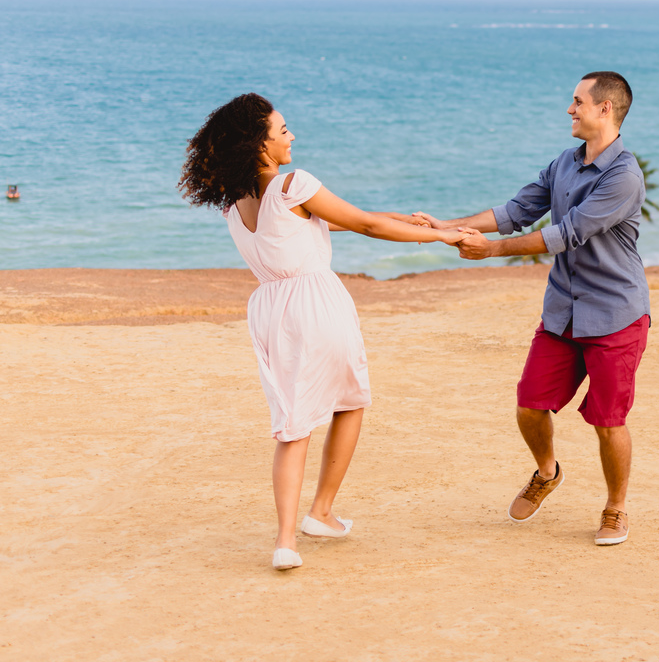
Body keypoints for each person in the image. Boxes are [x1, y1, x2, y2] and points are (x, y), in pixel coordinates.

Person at [179, 93, 467, 571]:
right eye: (283, 130)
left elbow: (335, 224)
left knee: (293, 426)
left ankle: (286, 541)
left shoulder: (236, 202)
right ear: (259, 143)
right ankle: (322, 511)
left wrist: (398, 218)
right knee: (350, 401)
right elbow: (364, 224)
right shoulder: (293, 183)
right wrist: (444, 234)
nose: (292, 136)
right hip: (314, 305)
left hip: (272, 310)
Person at [414, 71, 650, 546]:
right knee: (529, 405)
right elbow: (516, 210)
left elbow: (567, 234)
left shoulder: (624, 176)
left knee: (608, 421)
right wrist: (449, 226)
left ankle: (615, 508)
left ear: (605, 109)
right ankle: (547, 471)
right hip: (563, 311)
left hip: (614, 315)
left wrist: (491, 252)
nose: (569, 109)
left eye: (578, 101)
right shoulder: (564, 162)